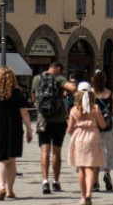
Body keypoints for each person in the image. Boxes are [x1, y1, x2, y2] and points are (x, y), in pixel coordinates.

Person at [0, 67, 33, 200]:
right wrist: (29, 129)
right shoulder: (18, 93)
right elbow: (24, 113)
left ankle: (0, 187)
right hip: (14, 127)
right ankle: (10, 190)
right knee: (11, 159)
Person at [31, 62, 78, 194]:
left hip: (42, 120)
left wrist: (40, 107)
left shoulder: (37, 78)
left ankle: (45, 181)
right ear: (58, 69)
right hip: (58, 120)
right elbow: (72, 88)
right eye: (61, 71)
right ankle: (56, 182)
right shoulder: (58, 78)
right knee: (56, 151)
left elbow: (33, 96)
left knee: (44, 150)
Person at [67, 82, 106, 205]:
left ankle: (83, 197)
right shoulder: (95, 108)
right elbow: (102, 125)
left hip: (79, 137)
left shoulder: (74, 110)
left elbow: (69, 129)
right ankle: (89, 193)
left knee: (82, 169)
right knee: (90, 167)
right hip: (93, 136)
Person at [92, 70, 113, 192]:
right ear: (105, 80)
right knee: (108, 151)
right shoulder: (110, 94)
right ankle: (107, 173)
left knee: (96, 153)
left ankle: (95, 183)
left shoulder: (91, 93)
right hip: (109, 127)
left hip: (94, 127)